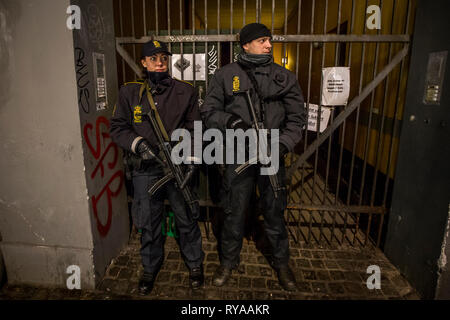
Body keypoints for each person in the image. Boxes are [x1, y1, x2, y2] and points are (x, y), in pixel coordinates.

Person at [200, 23, 307, 291]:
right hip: (239, 151)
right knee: (234, 210)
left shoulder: (284, 77)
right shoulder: (225, 76)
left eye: (269, 40)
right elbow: (208, 111)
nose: (269, 45)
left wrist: (282, 145)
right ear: (245, 45)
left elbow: (297, 119)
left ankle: (282, 264)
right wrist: (231, 121)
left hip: (272, 152)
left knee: (274, 212)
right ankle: (227, 262)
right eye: (262, 41)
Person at [110, 40, 205, 295]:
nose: (160, 61)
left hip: (178, 165)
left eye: (163, 57)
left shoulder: (185, 91)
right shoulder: (130, 93)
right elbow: (118, 127)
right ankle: (150, 267)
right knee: (149, 222)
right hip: (145, 169)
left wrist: (193, 160)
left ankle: (195, 264)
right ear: (143, 62)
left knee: (185, 218)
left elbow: (196, 128)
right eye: (153, 58)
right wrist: (138, 144)